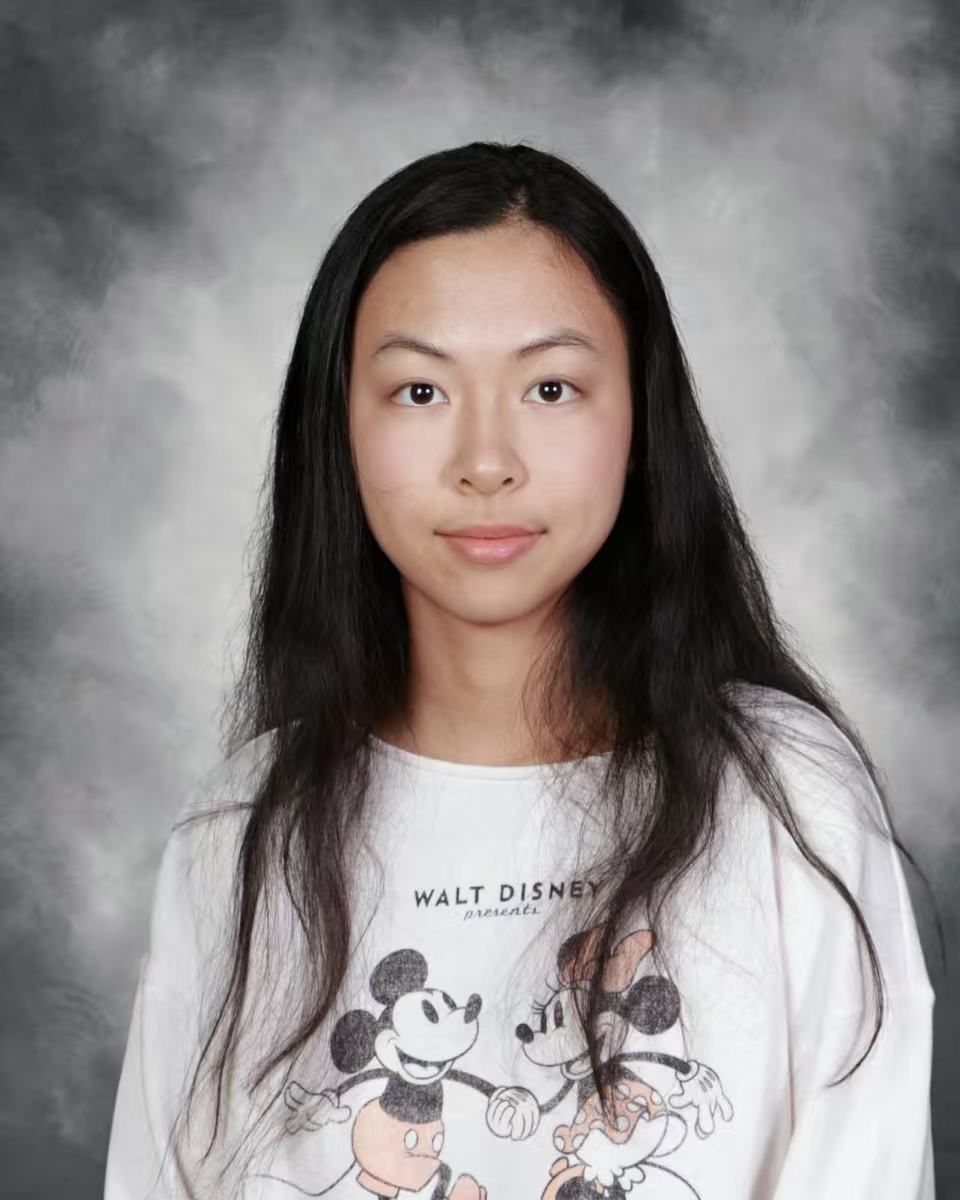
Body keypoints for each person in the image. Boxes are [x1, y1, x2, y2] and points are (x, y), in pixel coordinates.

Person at [103, 141, 939, 1200]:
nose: (486, 459)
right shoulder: (235, 836)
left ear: (638, 420)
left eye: (551, 386)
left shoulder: (787, 800)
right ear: (338, 433)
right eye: (418, 391)